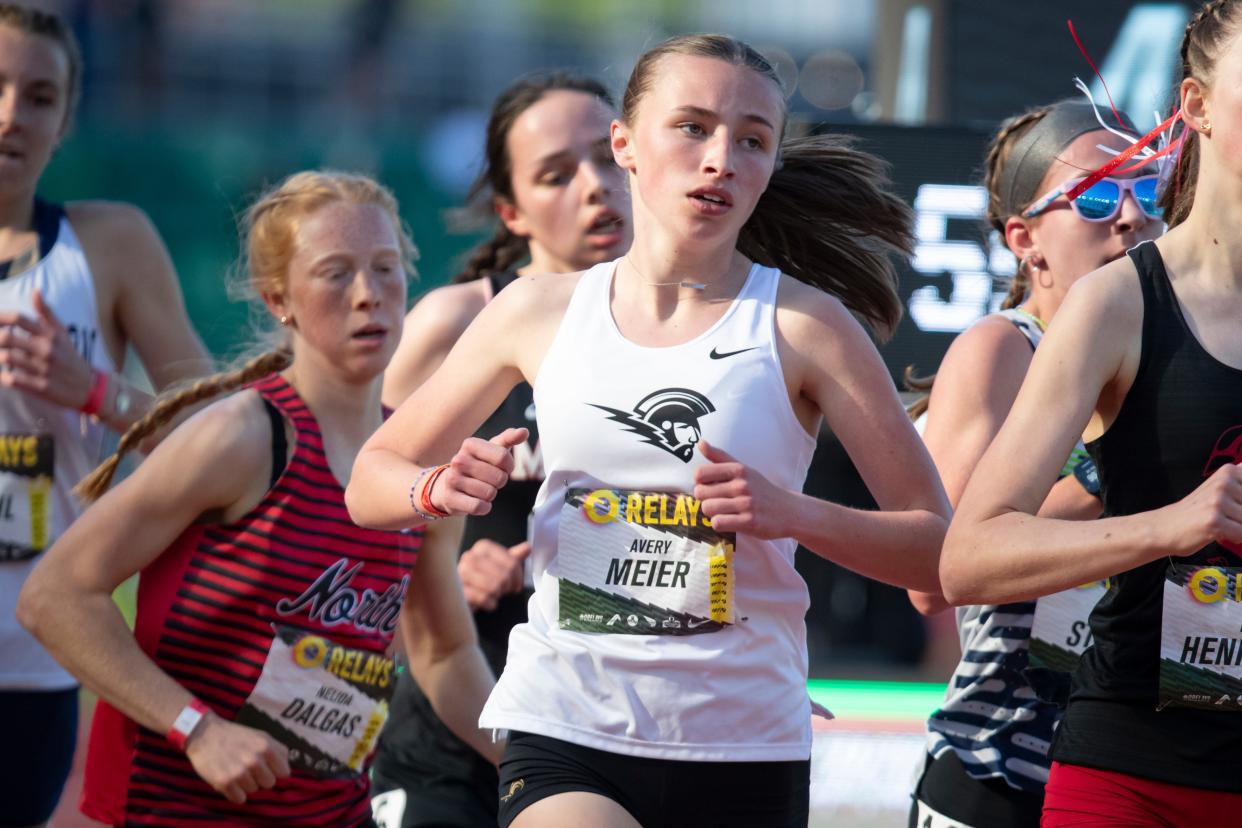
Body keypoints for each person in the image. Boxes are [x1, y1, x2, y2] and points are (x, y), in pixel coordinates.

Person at [347, 34, 950, 828]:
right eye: (693, 127)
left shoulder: (809, 326)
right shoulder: (534, 311)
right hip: (567, 722)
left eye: (753, 140)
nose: (721, 158)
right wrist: (433, 486)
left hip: (744, 743)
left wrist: (791, 513)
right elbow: (369, 478)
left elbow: (939, 552)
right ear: (624, 146)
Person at [17, 171, 499, 826]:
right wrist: (197, 728)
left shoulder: (412, 462)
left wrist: (538, 760)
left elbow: (443, 655)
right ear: (280, 299)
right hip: (180, 810)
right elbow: (55, 596)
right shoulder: (244, 435)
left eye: (386, 269)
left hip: (333, 813)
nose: (369, 296)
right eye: (335, 273)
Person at [940, 2, 1242, 824]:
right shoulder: (1118, 303)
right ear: (1198, 105)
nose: (1122, 211)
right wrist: (1171, 525)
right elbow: (965, 560)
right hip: (1128, 775)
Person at [371, 72, 629, 828]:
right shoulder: (457, 324)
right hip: (462, 717)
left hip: (627, 727)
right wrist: (447, 571)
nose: (594, 187)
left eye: (608, 159)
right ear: (512, 211)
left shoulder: (703, 324)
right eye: (556, 174)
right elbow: (351, 516)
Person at [905, 100, 1161, 828]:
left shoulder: (1181, 361)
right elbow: (937, 578)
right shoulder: (1002, 349)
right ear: (1025, 239)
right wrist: (1106, 469)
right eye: (1100, 194)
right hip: (1003, 771)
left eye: (1152, 190)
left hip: (1146, 765)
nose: (1132, 215)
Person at [0, 5, 210, 826]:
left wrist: (93, 389)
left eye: (39, 95)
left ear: (64, 119)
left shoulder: (111, 244)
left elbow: (221, 429)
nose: (13, 113)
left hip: (32, 660)